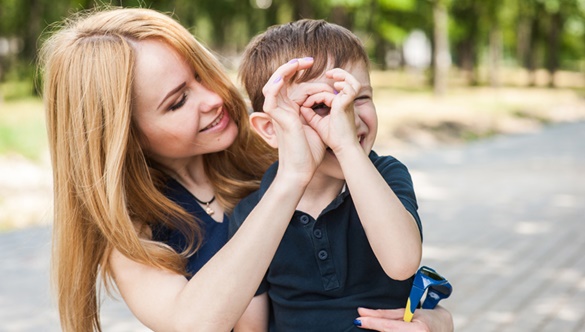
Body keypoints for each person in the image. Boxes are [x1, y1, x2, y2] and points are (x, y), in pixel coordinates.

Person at [39, 7, 452, 332]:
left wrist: (436, 321)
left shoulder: (281, 146)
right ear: (126, 137)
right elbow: (198, 323)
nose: (214, 98)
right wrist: (290, 179)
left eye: (201, 73)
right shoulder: (134, 237)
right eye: (178, 101)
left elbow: (393, 264)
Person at [229, 19, 443, 332]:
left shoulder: (385, 174)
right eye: (323, 105)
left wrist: (347, 148)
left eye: (360, 98)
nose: (349, 118)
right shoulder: (252, 215)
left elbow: (402, 262)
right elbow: (251, 327)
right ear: (271, 128)